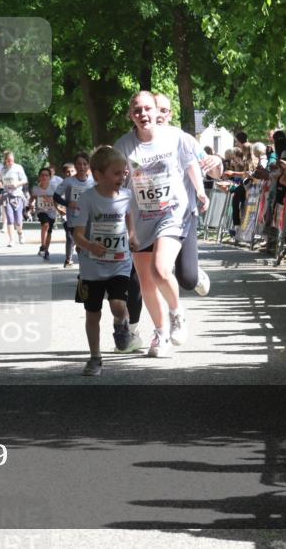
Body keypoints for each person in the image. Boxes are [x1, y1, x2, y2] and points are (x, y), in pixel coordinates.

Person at [113, 91, 206, 358]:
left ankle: (177, 314)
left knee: (160, 269)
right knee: (146, 282)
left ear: (156, 111)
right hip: (141, 217)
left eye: (147, 109)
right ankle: (161, 333)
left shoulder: (175, 137)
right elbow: (120, 187)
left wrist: (200, 192)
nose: (143, 114)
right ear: (131, 116)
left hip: (172, 212)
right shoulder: (123, 146)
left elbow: (191, 164)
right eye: (137, 110)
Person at [73, 146, 138, 376]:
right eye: (116, 173)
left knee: (118, 306)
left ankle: (121, 323)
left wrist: (132, 236)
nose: (122, 177)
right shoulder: (87, 199)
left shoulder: (126, 195)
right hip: (92, 268)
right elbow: (77, 234)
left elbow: (128, 215)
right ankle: (95, 358)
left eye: (124, 172)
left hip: (120, 262)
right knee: (93, 314)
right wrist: (90, 245)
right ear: (98, 175)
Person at [153, 93, 216, 296]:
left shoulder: (183, 138)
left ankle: (194, 273)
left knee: (188, 280)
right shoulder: (135, 141)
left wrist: (216, 163)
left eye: (164, 110)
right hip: (149, 216)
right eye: (155, 109)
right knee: (147, 274)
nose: (159, 114)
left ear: (170, 115)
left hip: (182, 214)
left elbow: (207, 168)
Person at [57, 152, 95, 267]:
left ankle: (85, 269)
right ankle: (83, 269)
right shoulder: (69, 181)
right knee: (80, 245)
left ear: (89, 166)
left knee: (87, 245)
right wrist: (68, 203)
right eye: (79, 164)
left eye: (85, 164)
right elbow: (56, 196)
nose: (82, 166)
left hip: (90, 218)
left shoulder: (93, 181)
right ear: (75, 165)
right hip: (74, 219)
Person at [0, 151, 28, 246]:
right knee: (10, 218)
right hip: (7, 196)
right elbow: (2, 181)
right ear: (5, 160)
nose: (10, 162)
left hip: (17, 195)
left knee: (18, 220)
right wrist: (1, 184)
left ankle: (20, 233)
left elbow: (25, 180)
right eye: (8, 160)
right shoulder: (2, 169)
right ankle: (11, 240)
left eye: (12, 160)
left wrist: (17, 184)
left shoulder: (18, 168)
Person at [29, 167, 58, 260]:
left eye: (46, 175)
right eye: (42, 175)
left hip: (52, 212)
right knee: (45, 225)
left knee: (49, 231)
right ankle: (43, 245)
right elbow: (32, 198)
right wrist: (30, 204)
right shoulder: (36, 189)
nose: (44, 177)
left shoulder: (54, 188)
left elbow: (58, 200)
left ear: (50, 177)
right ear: (39, 177)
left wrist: (52, 201)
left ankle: (46, 250)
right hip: (41, 211)